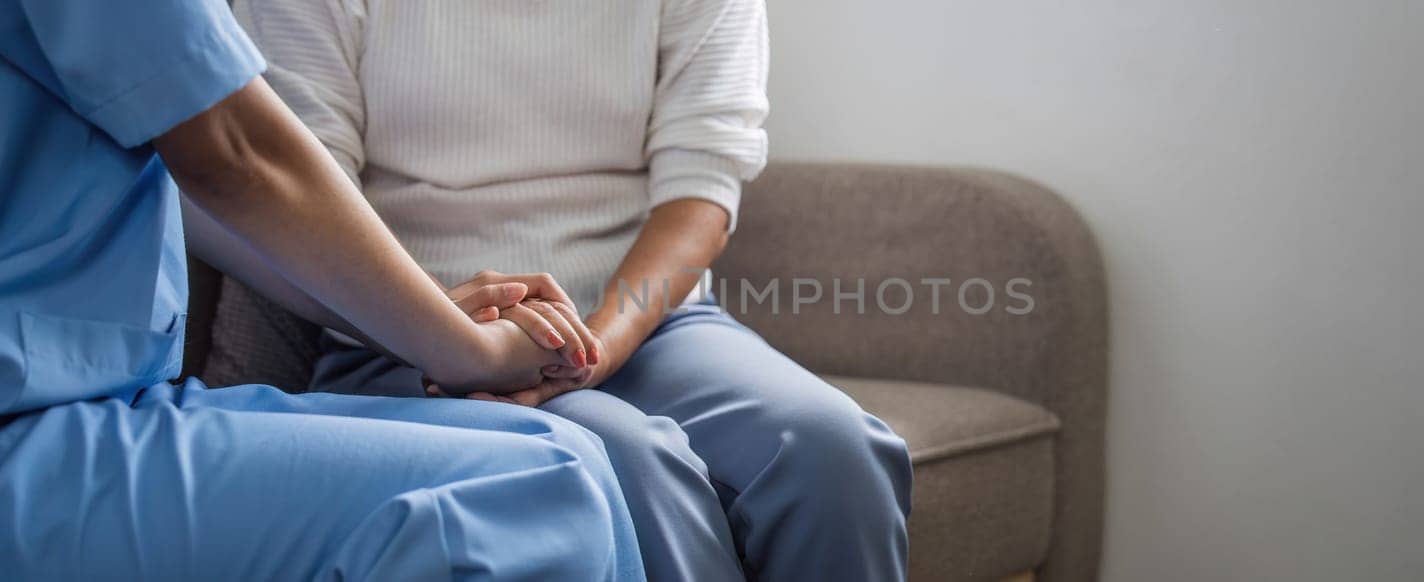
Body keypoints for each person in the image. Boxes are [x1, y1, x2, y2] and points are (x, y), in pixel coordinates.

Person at [233, 0, 914, 580]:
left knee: (834, 451)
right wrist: (456, 337)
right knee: (629, 463)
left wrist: (598, 347)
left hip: (649, 325)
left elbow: (699, 193)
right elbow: (303, 195)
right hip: (404, 338)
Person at [0, 0, 646, 579]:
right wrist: (467, 352)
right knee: (536, 488)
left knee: (564, 450)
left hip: (77, 401)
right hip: (31, 425)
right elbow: (236, 152)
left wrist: (438, 328)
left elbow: (205, 191)